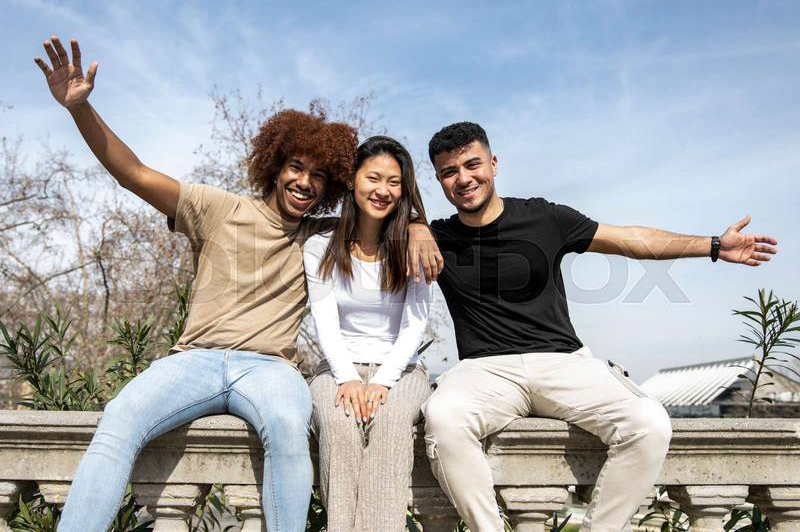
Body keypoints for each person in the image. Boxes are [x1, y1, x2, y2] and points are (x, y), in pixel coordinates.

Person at [33, 36, 442, 532]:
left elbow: (384, 206)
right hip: (195, 358)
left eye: (318, 175)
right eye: (295, 167)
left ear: (331, 184)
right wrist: (81, 109)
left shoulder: (322, 237)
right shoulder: (218, 208)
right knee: (119, 418)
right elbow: (135, 175)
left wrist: (418, 223)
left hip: (270, 369)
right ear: (274, 166)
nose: (304, 182)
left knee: (291, 427)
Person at [420, 122, 778, 532]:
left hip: (561, 360)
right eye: (450, 172)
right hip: (485, 369)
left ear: (494, 163)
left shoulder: (545, 217)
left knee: (648, 424)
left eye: (472, 164)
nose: (464, 178)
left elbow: (631, 240)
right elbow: (367, 224)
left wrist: (714, 245)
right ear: (439, 181)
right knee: (444, 418)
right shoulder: (436, 237)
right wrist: (414, 223)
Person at [303, 136, 433, 532]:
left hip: (402, 369)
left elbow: (415, 322)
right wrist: (346, 377)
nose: (383, 190)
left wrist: (381, 381)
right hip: (337, 367)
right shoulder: (319, 247)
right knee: (338, 422)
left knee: (392, 425)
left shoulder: (412, 245)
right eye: (373, 178)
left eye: (394, 182)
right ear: (352, 182)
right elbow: (324, 319)